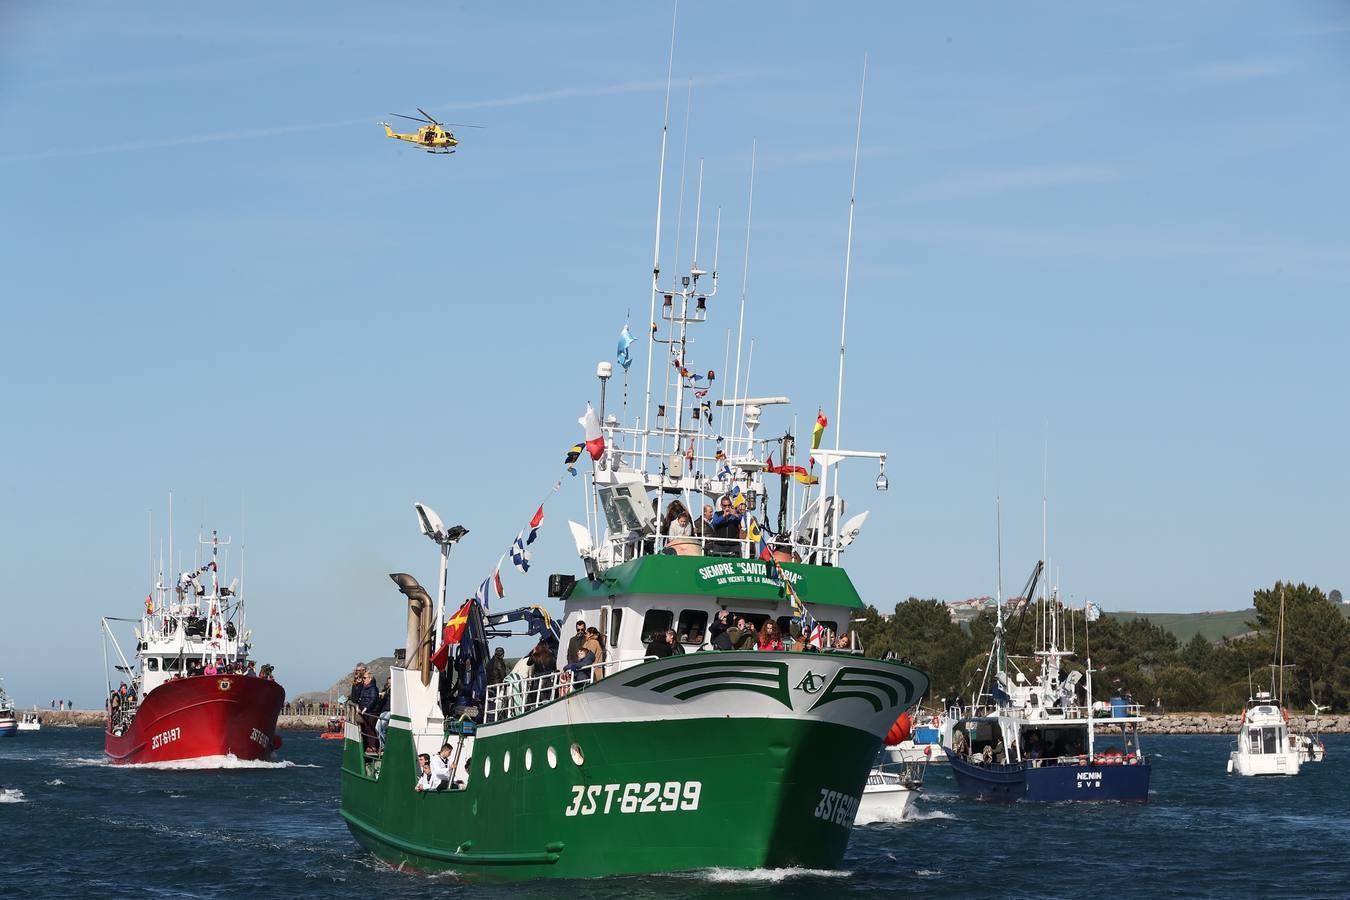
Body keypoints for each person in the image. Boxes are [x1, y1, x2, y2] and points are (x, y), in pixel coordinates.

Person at [351, 670, 381, 753]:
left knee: (371, 729)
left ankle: (373, 747)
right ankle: (369, 745)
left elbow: (373, 699)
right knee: (366, 729)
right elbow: (358, 697)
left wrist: (366, 708)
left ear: (370, 678)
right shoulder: (365, 687)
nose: (363, 679)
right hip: (364, 711)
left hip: (372, 712)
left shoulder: (373, 688)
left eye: (365, 678)